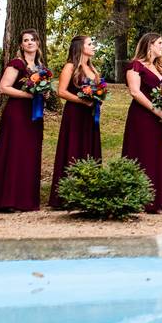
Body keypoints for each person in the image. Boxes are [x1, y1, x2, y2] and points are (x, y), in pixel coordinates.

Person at [0, 29, 46, 211]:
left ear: (38, 43)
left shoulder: (40, 67)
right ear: (21, 45)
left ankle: (25, 199)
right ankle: (6, 200)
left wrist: (44, 93)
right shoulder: (16, 64)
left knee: (29, 154)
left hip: (34, 115)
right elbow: (4, 87)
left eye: (33, 39)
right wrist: (27, 95)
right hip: (17, 113)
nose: (29, 43)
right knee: (14, 152)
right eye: (25, 40)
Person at [50, 35, 103, 208]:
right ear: (80, 47)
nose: (93, 46)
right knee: (74, 147)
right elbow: (61, 91)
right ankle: (68, 194)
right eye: (90, 44)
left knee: (89, 148)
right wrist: (82, 101)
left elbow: (98, 90)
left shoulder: (92, 69)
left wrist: (98, 97)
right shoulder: (70, 67)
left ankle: (89, 192)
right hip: (74, 114)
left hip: (90, 115)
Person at [122, 33, 162, 213]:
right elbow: (135, 92)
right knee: (142, 154)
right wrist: (156, 110)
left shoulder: (159, 68)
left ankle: (158, 199)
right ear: (150, 45)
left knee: (157, 156)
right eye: (160, 43)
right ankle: (141, 200)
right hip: (142, 118)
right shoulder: (135, 66)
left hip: (159, 121)